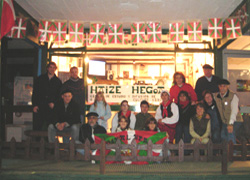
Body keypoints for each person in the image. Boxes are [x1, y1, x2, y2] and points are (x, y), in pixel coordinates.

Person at [32, 62, 62, 131]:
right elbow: (35, 92)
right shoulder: (40, 79)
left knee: (49, 127)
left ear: (55, 69)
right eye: (50, 67)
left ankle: (48, 142)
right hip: (40, 106)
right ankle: (37, 141)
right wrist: (35, 105)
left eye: (53, 68)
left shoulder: (58, 81)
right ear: (47, 68)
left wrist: (54, 103)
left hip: (51, 108)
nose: (52, 69)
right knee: (38, 126)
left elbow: (59, 95)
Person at [213, 79, 243, 145]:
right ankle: (226, 152)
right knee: (223, 135)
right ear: (218, 87)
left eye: (224, 86)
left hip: (236, 120)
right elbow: (208, 99)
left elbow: (234, 111)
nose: (222, 88)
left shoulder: (233, 96)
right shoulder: (216, 96)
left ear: (227, 87)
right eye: (221, 86)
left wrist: (231, 124)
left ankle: (233, 152)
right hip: (225, 121)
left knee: (230, 133)